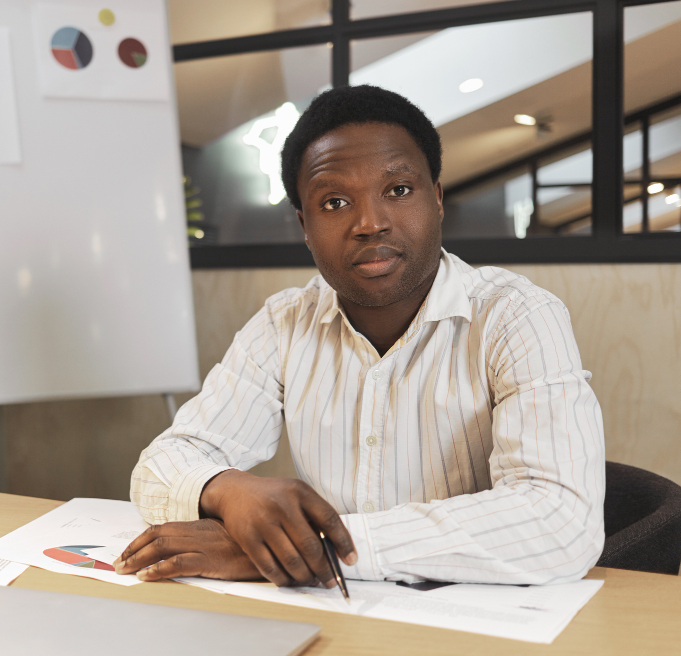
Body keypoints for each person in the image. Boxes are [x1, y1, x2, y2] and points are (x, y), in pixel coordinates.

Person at [114, 85, 605, 588]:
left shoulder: (516, 316)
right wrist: (227, 489)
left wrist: (322, 550)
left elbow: (561, 522)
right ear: (305, 227)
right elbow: (158, 469)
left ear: (436, 199)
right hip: (337, 619)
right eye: (335, 202)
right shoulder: (286, 322)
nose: (370, 223)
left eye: (398, 190)